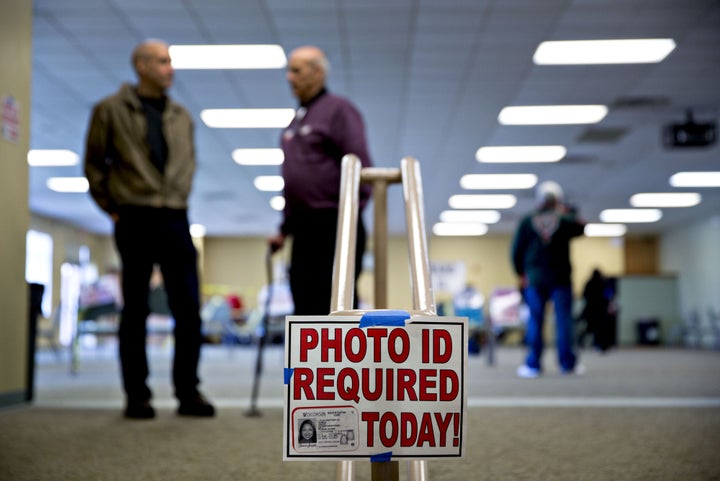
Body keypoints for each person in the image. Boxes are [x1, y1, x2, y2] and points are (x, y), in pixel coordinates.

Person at [84, 39, 214, 419]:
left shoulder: (181, 115)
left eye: (170, 61)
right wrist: (113, 208)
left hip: (174, 215)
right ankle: (136, 395)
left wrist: (180, 192)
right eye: (162, 61)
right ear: (140, 65)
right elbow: (94, 165)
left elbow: (188, 160)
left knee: (188, 309)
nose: (169, 68)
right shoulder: (109, 110)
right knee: (136, 309)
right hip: (134, 216)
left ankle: (188, 392)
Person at [268, 46, 373, 315]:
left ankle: (344, 360)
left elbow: (360, 168)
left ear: (318, 73)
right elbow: (294, 184)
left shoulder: (339, 111)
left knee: (337, 303)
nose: (289, 77)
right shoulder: (296, 120)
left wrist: (348, 216)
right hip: (304, 227)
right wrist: (285, 228)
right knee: (304, 300)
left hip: (336, 222)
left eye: (296, 70)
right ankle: (306, 360)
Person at [511, 181, 586, 378]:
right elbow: (582, 227)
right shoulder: (565, 219)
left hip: (535, 279)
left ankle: (533, 365)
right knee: (564, 321)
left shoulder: (527, 220)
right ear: (557, 200)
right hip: (560, 278)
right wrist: (566, 211)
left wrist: (521, 274)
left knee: (535, 321)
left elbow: (516, 251)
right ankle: (567, 364)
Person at [576, 268, 610, 351]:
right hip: (600, 310)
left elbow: (584, 296)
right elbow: (608, 296)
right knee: (600, 329)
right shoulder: (603, 283)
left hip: (590, 310)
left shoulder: (589, 283)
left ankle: (581, 343)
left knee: (589, 328)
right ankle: (600, 345)